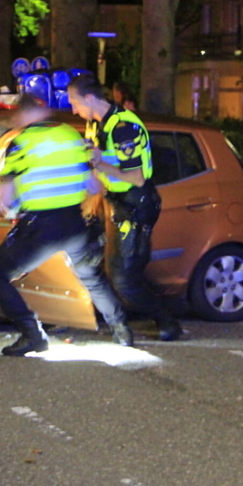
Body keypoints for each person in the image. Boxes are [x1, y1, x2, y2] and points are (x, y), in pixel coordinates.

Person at [0, 94, 134, 357]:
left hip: (40, 227)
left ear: (23, 115)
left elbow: (6, 199)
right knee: (91, 276)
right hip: (74, 223)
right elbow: (93, 185)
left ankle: (33, 335)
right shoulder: (70, 134)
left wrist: (5, 205)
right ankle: (122, 330)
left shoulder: (21, 142)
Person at [67, 74, 182, 342]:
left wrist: (98, 164)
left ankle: (168, 321)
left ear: (89, 98)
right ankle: (144, 317)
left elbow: (135, 178)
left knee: (124, 278)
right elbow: (96, 162)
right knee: (121, 270)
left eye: (74, 102)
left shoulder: (124, 127)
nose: (73, 109)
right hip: (117, 204)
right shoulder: (95, 125)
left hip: (136, 205)